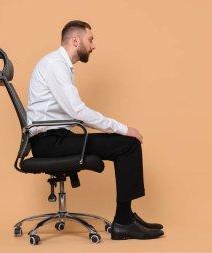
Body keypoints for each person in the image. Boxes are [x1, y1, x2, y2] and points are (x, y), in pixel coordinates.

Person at [26, 20, 164, 240]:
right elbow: (78, 111)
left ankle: (126, 216)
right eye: (90, 39)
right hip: (49, 142)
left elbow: (74, 113)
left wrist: (117, 129)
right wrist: (123, 129)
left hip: (56, 138)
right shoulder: (55, 65)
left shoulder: (60, 66)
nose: (93, 45)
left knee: (126, 142)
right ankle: (123, 222)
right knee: (128, 144)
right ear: (75, 40)